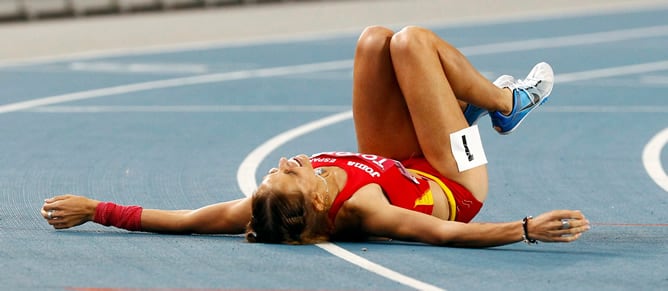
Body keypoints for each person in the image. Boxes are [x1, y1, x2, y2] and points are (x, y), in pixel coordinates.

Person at [40, 25, 589, 248]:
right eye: (290, 171)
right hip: (453, 181)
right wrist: (523, 228)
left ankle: (458, 106)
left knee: (375, 41)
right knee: (412, 43)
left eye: (277, 169)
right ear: (322, 199)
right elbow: (446, 237)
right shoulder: (370, 211)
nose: (285, 160)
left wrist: (96, 209)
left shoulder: (265, 206)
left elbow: (180, 221)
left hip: (394, 161)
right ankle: (507, 105)